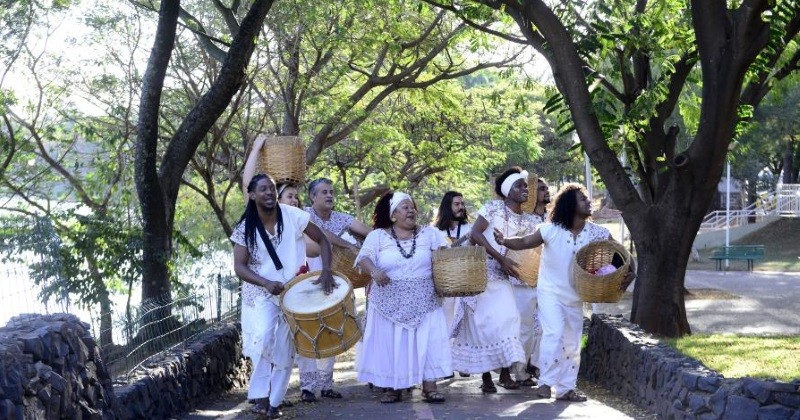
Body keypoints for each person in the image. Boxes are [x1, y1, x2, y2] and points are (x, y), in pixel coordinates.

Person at [494, 183, 635, 402]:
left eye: (588, 199)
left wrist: (631, 273)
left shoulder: (597, 232)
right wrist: (504, 240)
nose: (589, 202)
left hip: (576, 296)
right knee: (554, 333)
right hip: (550, 292)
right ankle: (546, 383)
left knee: (572, 342)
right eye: (583, 199)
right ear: (570, 204)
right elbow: (524, 241)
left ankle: (566, 388)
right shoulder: (551, 230)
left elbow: (622, 255)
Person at [231, 172, 336, 419]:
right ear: (252, 195)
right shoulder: (245, 227)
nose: (269, 193)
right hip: (261, 293)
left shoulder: (294, 216)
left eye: (271, 189)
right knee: (264, 340)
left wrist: (327, 271)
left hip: (292, 292)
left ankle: (275, 402)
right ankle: (260, 396)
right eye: (263, 189)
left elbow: (322, 240)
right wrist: (266, 282)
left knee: (285, 348)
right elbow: (239, 267)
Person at [355, 191, 452, 404]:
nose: (411, 210)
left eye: (412, 207)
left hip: (425, 299)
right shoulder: (378, 236)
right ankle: (392, 387)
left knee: (429, 342)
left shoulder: (430, 234)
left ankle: (430, 386)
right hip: (388, 302)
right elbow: (364, 258)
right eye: (405, 207)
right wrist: (374, 272)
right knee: (392, 343)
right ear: (393, 215)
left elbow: (446, 256)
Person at [451, 167, 527, 393]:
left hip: (504, 278)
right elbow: (475, 234)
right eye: (519, 186)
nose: (524, 189)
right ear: (507, 191)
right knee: (482, 325)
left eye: (525, 185)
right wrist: (499, 259)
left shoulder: (525, 217)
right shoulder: (493, 207)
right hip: (481, 273)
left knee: (509, 320)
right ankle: (486, 377)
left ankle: (505, 373)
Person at [295, 177, 372, 402]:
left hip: (337, 281)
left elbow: (368, 232)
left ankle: (326, 384)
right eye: (324, 192)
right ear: (312, 196)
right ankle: (307, 387)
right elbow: (324, 236)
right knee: (309, 332)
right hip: (308, 279)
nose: (329, 196)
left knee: (331, 331)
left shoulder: (341, 217)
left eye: (331, 192)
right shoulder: (304, 215)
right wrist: (347, 244)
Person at [510, 178, 551, 387]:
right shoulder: (522, 220)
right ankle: (519, 370)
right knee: (524, 327)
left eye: (546, 188)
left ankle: (538, 365)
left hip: (547, 281)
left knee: (546, 326)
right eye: (541, 188)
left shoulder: (552, 219)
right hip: (523, 281)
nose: (546, 191)